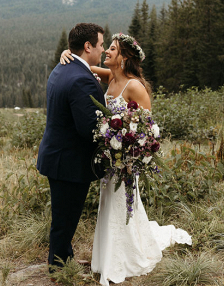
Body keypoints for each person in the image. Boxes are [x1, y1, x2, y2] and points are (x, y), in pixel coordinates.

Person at [60, 33, 191, 285]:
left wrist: (132, 155)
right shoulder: (110, 78)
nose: (107, 51)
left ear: (124, 57)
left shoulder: (134, 86)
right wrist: (67, 55)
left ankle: (125, 257)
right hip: (110, 160)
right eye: (106, 47)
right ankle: (108, 255)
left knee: (122, 205)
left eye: (112, 49)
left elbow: (147, 129)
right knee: (108, 203)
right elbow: (83, 64)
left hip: (127, 161)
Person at [37, 23, 106, 273]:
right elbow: (89, 128)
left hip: (57, 156)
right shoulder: (80, 78)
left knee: (63, 216)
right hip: (69, 161)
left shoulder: (62, 67)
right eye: (100, 45)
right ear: (87, 46)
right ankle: (58, 269)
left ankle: (63, 258)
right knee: (65, 218)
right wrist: (116, 135)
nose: (103, 50)